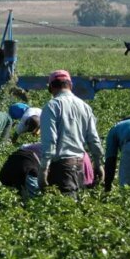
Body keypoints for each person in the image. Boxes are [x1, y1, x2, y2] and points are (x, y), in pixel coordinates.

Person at [38, 70, 105, 198]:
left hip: (61, 167)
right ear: (71, 85)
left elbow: (50, 141)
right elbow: (93, 139)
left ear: (51, 87)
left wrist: (44, 169)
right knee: (75, 208)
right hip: (79, 165)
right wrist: (98, 164)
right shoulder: (84, 106)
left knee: (63, 211)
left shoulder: (51, 106)